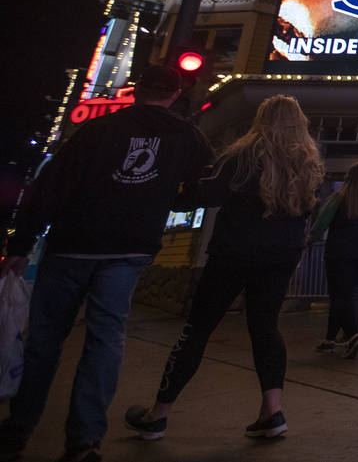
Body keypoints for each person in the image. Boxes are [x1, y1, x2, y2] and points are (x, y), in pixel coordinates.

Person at [0, 66, 212, 462]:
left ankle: (18, 429)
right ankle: (84, 439)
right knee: (104, 341)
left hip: (72, 245)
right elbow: (201, 184)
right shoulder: (188, 136)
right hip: (129, 250)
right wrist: (163, 199)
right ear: (175, 93)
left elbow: (50, 187)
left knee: (45, 342)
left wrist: (22, 242)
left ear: (136, 91)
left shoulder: (97, 131)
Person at [123, 95, 324, 443]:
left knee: (198, 329)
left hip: (234, 253)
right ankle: (272, 412)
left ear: (261, 120)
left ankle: (158, 415)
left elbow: (206, 195)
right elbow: (308, 210)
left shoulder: (242, 156)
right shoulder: (306, 162)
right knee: (265, 328)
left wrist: (168, 187)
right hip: (281, 256)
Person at [308, 163, 358, 359]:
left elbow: (321, 224)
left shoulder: (338, 198)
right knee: (349, 295)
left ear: (349, 177)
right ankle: (330, 339)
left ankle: (353, 336)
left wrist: (309, 240)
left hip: (339, 254)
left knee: (338, 297)